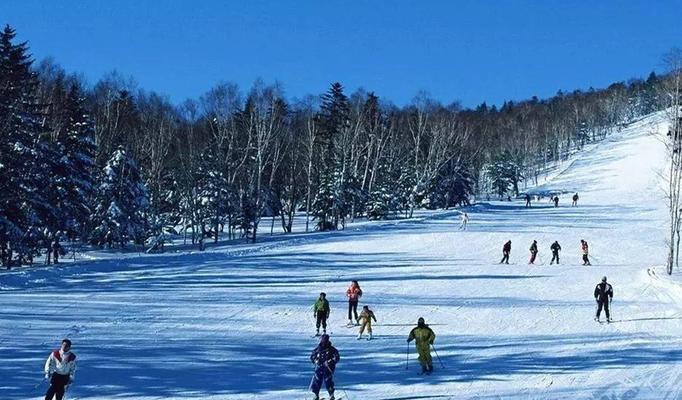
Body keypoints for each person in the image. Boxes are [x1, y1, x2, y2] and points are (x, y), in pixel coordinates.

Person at [309, 334, 340, 400]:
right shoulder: (318, 349)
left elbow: (337, 357)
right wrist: (316, 360)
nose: (323, 342)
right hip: (319, 367)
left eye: (325, 341)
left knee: (328, 381)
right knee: (317, 380)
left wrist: (330, 362)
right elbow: (312, 356)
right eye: (322, 340)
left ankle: (331, 394)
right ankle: (316, 394)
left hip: (328, 368)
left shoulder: (332, 349)